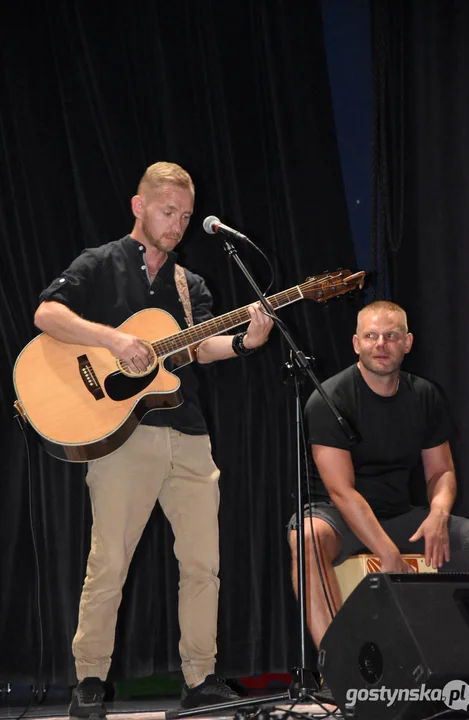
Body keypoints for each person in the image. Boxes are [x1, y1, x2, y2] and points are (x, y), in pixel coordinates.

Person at [34, 161, 273, 718]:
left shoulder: (191, 286)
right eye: (169, 212)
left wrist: (246, 342)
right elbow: (47, 314)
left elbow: (201, 347)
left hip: (187, 432)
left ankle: (201, 678)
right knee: (109, 562)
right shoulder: (98, 263)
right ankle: (90, 680)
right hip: (122, 436)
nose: (178, 224)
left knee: (202, 564)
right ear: (139, 207)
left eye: (186, 216)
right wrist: (114, 340)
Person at [288, 300, 469, 649]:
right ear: (356, 344)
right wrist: (387, 554)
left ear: (407, 343)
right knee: (307, 539)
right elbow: (342, 492)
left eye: (391, 336)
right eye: (371, 336)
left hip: (398, 513)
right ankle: (338, 666)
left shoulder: (424, 394)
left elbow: (441, 471)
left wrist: (439, 513)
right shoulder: (329, 398)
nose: (381, 344)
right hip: (336, 515)